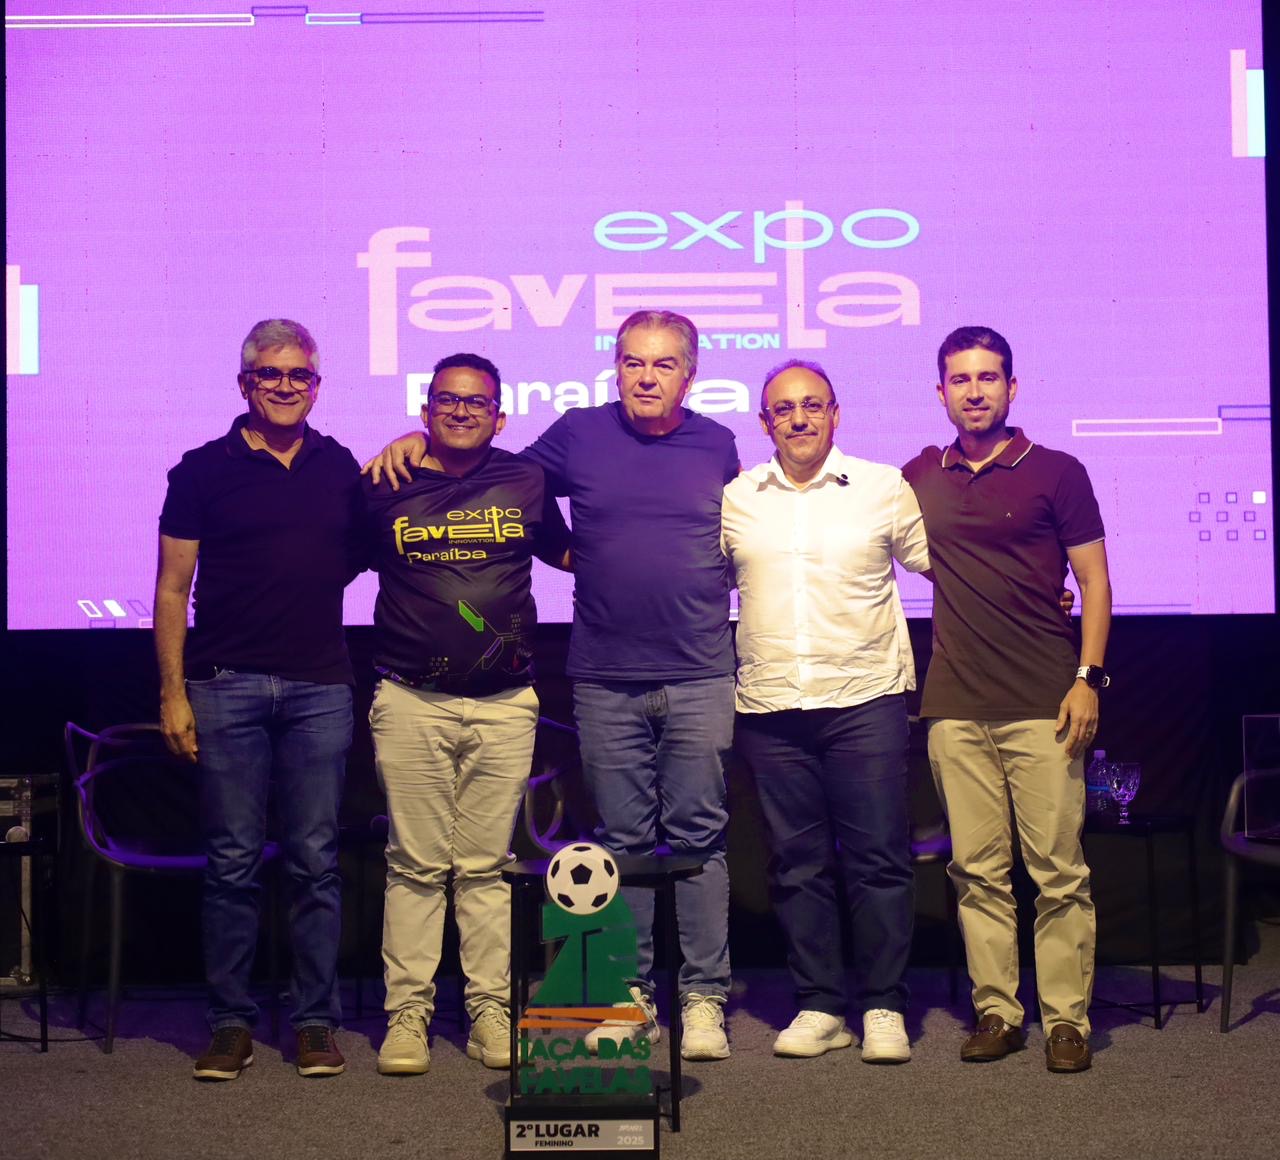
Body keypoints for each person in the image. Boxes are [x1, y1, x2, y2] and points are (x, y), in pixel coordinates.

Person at [367, 310, 740, 1061]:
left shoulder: (718, 443)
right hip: (602, 673)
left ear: (690, 375)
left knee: (700, 836)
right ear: (616, 367)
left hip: (700, 667)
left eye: (663, 364)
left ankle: (703, 998)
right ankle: (631, 993)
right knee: (622, 843)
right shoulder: (576, 433)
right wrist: (416, 440)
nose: (646, 377)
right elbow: (492, 472)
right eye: (633, 362)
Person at [156, 319, 364, 1080]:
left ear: (317, 385)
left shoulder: (339, 466)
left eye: (298, 375)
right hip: (225, 686)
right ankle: (230, 1023)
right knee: (233, 863)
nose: (285, 386)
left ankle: (313, 1022)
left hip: (320, 685)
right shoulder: (200, 470)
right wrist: (172, 693)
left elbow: (358, 552)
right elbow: (171, 590)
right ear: (245, 384)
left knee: (315, 862)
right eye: (270, 374)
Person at [901, 326, 1112, 1073]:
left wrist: (1089, 678)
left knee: (1058, 872)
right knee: (977, 873)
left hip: (1044, 701)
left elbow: (1094, 582)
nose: (975, 390)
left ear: (1012, 387)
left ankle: (1066, 1022)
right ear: (941, 393)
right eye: (961, 379)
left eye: (988, 377)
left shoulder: (1057, 471)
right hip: (954, 705)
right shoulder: (918, 476)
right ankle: (997, 1011)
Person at [364, 353, 570, 1077]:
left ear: (499, 416)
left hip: (506, 704)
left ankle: (490, 1011)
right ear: (424, 411)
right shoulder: (385, 482)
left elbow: (568, 552)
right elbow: (328, 563)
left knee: (486, 867)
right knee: (415, 865)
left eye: (475, 402)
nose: (460, 411)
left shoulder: (527, 479)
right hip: (409, 699)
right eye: (446, 401)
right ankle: (408, 1018)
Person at [722, 360, 929, 1063]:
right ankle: (820, 1006)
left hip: (864, 698)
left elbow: (951, 566)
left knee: (879, 862)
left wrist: (1038, 589)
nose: (800, 418)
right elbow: (694, 584)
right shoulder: (738, 498)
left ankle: (883, 1005)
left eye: (813, 405)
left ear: (836, 414)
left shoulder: (882, 487)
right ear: (765, 423)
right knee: (795, 866)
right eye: (784, 409)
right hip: (771, 705)